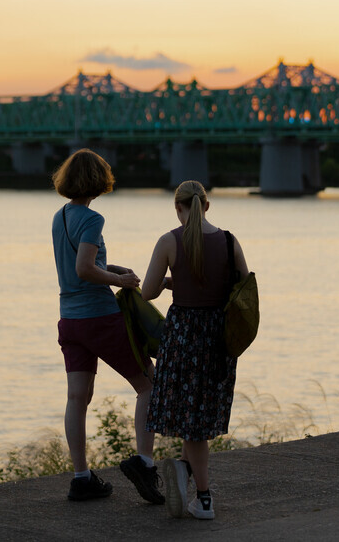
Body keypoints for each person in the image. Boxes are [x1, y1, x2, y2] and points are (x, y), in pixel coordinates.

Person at [51, 148, 164, 504]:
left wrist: (113, 270)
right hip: (99, 318)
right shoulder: (92, 218)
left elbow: (82, 265)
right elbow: (86, 269)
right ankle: (144, 463)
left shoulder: (60, 216)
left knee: (77, 397)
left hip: (70, 320)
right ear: (98, 181)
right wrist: (120, 284)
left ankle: (81, 477)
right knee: (148, 385)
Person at [141, 180, 249, 520]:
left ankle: (204, 499)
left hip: (183, 338)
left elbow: (147, 293)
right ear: (206, 205)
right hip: (217, 340)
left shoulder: (169, 241)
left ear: (178, 208)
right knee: (199, 420)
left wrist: (173, 280)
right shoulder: (231, 242)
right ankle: (186, 475)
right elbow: (244, 288)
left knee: (191, 424)